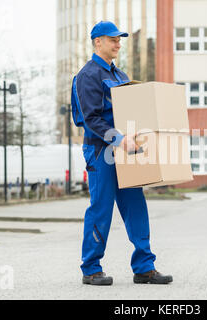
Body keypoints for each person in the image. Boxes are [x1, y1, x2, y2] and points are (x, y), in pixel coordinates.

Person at [71, 21, 173, 286]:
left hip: (125, 150)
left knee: (135, 206)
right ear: (97, 42)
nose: (118, 44)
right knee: (101, 209)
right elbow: (88, 118)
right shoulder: (87, 76)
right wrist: (118, 138)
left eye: (119, 40)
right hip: (100, 150)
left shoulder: (121, 76)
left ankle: (144, 267)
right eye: (113, 39)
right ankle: (91, 269)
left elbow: (133, 112)